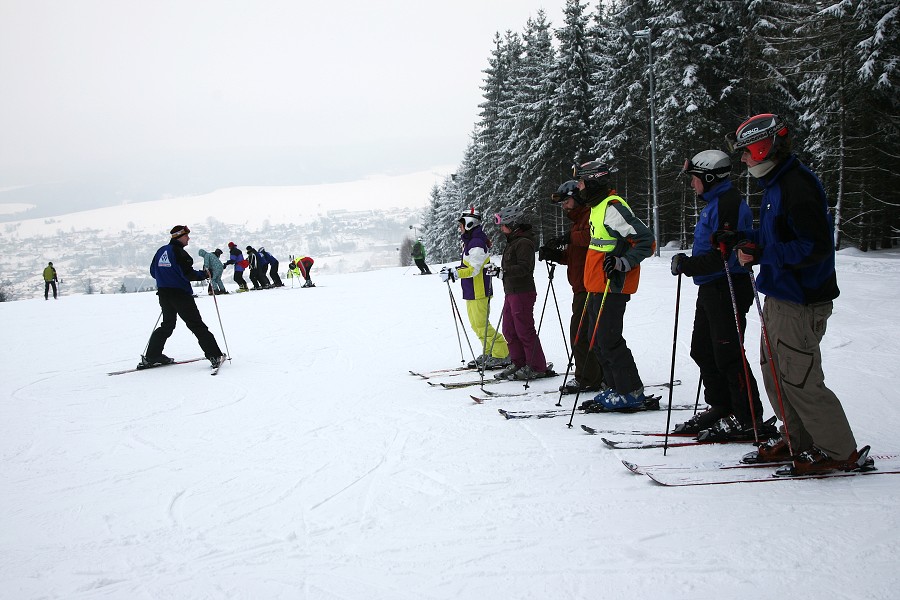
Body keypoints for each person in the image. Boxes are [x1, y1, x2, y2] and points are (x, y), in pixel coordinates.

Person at [720, 113, 866, 475]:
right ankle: (797, 440)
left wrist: (764, 253)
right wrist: (745, 239)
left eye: (746, 151)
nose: (743, 159)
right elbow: (779, 236)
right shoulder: (776, 185)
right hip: (780, 297)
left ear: (764, 146)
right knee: (776, 375)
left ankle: (838, 450)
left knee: (800, 379)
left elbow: (814, 247)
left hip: (800, 301)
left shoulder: (796, 186)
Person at [669, 150, 768, 441]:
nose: (692, 185)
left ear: (709, 178)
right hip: (711, 286)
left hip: (729, 286)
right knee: (702, 349)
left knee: (728, 354)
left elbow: (723, 256)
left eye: (694, 179)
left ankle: (748, 418)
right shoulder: (715, 203)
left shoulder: (727, 203)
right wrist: (692, 264)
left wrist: (688, 265)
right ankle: (722, 407)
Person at [575, 160, 655, 410]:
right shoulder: (597, 208)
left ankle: (630, 391)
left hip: (613, 285)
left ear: (593, 182)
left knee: (608, 339)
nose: (579, 189)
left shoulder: (612, 207)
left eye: (581, 183)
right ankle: (614, 388)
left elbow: (646, 241)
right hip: (597, 285)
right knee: (596, 340)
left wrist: (623, 263)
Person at [540, 181, 606, 393]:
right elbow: (575, 257)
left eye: (566, 201)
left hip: (591, 285)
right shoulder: (577, 221)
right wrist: (557, 255)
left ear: (578, 198)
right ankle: (599, 375)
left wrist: (569, 238)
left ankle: (588, 378)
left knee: (580, 334)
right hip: (581, 285)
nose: (564, 207)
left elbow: (591, 238)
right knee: (586, 333)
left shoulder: (590, 216)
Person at [141, 226, 225, 369]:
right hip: (180, 295)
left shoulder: (161, 251)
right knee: (196, 324)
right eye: (186, 236)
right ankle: (214, 355)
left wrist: (166, 278)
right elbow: (189, 274)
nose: (188, 238)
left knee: (167, 325)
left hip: (164, 294)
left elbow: (153, 272)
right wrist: (204, 274)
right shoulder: (180, 253)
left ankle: (152, 356)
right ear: (179, 236)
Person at [439, 208, 510, 370]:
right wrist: (453, 270)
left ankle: (502, 354)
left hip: (480, 290)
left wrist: (456, 273)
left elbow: (474, 269)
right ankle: (489, 352)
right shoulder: (470, 242)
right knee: (476, 325)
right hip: (471, 290)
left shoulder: (477, 243)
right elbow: (468, 266)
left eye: (461, 224)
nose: (460, 228)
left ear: (470, 224)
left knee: (482, 325)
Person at [489, 206, 552, 381]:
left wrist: (504, 272)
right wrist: (499, 271)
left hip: (523, 292)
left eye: (504, 226)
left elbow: (525, 268)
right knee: (509, 330)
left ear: (513, 224)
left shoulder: (524, 242)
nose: (501, 229)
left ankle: (537, 366)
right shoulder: (513, 242)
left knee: (524, 330)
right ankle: (519, 362)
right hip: (511, 292)